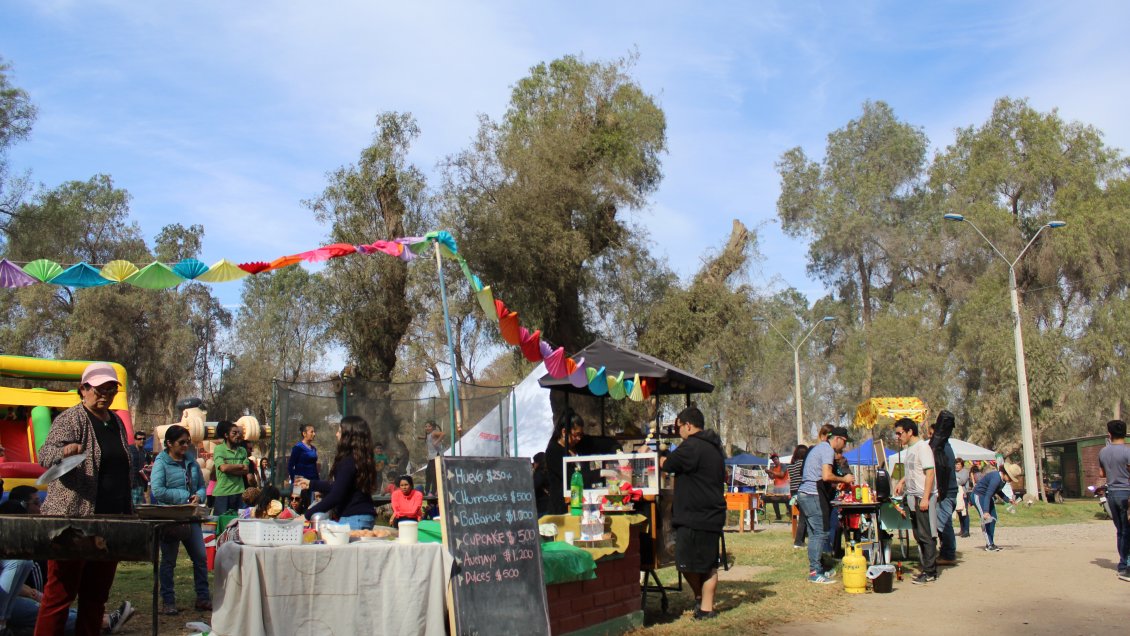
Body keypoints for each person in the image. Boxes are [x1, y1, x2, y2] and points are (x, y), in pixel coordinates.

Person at [32, 362, 133, 635]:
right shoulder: (71, 418)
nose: (106, 394)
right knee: (59, 595)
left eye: (111, 389)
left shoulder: (116, 423)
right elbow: (45, 455)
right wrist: (64, 452)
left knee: (96, 595)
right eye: (100, 389)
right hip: (72, 522)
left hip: (110, 521)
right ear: (84, 389)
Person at [639, 406, 725, 620]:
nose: (678, 432)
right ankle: (706, 607)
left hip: (694, 516)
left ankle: (701, 600)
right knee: (709, 564)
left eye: (679, 427)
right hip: (713, 513)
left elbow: (667, 465)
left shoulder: (692, 446)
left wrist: (652, 455)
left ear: (688, 425)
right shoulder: (715, 447)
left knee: (684, 562)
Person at [150, 424, 211, 615]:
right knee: (169, 561)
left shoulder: (192, 462)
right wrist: (184, 496)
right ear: (169, 443)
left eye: (188, 442)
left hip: (190, 517)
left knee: (200, 557)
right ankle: (168, 601)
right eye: (181, 442)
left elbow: (202, 486)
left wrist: (199, 496)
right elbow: (157, 490)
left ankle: (203, 597)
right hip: (171, 518)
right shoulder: (161, 463)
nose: (186, 446)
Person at [296, 415, 378, 530]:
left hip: (354, 518)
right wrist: (312, 484)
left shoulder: (348, 461)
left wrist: (307, 515)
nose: (336, 434)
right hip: (363, 516)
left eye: (339, 431)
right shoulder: (360, 459)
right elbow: (341, 486)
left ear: (349, 436)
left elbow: (336, 495)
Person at [796, 426, 853, 584]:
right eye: (845, 442)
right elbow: (827, 476)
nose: (845, 446)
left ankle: (818, 569)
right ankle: (814, 572)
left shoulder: (819, 448)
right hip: (812, 494)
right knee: (820, 533)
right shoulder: (827, 450)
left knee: (815, 533)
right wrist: (844, 479)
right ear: (837, 439)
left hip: (805, 493)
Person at [893, 418, 938, 584]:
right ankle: (926, 567)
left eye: (900, 433)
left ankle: (930, 572)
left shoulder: (923, 447)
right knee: (918, 534)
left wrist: (925, 497)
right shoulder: (910, 449)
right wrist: (902, 482)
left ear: (910, 431)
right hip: (912, 496)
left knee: (926, 535)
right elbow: (913, 470)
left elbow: (930, 473)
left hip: (922, 496)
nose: (898, 437)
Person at [1096, 419, 1130, 581]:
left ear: (1109, 434)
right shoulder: (1127, 452)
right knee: (1127, 530)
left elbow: (1102, 474)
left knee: (1121, 530)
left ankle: (1123, 564)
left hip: (1112, 494)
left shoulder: (1103, 452)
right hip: (1126, 493)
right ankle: (1126, 565)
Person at [929, 411, 959, 566]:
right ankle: (946, 551)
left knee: (945, 523)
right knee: (943, 522)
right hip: (947, 490)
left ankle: (948, 554)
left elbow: (942, 471)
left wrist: (940, 491)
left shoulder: (943, 449)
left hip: (947, 492)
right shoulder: (945, 447)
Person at [972, 461, 1021, 552]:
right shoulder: (996, 478)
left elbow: (998, 491)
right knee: (986, 520)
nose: (1010, 480)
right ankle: (989, 545)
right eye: (1011, 477)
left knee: (993, 518)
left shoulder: (1002, 480)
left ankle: (991, 542)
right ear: (1006, 473)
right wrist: (986, 511)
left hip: (987, 497)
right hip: (979, 496)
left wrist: (1008, 500)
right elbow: (988, 495)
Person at [544, 412, 585, 515]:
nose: (579, 439)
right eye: (576, 435)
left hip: (578, 502)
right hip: (561, 507)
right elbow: (570, 476)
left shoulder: (577, 447)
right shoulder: (553, 451)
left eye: (581, 435)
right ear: (564, 432)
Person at [212, 421, 248, 516]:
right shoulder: (219, 449)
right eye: (234, 433)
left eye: (238, 433)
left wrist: (230, 468)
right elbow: (223, 468)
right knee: (222, 524)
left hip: (240, 493)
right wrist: (239, 466)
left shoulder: (243, 451)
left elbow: (246, 470)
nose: (238, 435)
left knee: (239, 524)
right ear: (226, 435)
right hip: (223, 494)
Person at [787, 445, 808, 548]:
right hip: (802, 491)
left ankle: (800, 540)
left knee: (803, 516)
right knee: (804, 517)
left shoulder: (791, 466)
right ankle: (798, 541)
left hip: (793, 492)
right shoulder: (803, 465)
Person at [287, 425, 319, 493]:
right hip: (300, 482)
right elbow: (290, 466)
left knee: (312, 502)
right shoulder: (298, 447)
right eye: (312, 432)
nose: (314, 434)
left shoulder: (313, 449)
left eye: (314, 432)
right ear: (304, 434)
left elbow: (314, 466)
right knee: (297, 501)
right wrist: (295, 480)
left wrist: (317, 482)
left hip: (312, 481)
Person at [422, 421, 447, 496]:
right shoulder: (429, 434)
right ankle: (427, 491)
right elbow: (429, 439)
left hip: (436, 456)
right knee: (428, 473)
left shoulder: (433, 432)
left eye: (429, 426)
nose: (427, 428)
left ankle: (434, 491)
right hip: (431, 457)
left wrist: (437, 441)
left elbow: (443, 434)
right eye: (426, 426)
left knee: (434, 474)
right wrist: (421, 437)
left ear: (433, 427)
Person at [126, 431, 150, 506]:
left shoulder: (145, 452)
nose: (142, 440)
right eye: (139, 439)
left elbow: (147, 465)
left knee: (139, 506)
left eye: (144, 439)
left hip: (141, 483)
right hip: (130, 483)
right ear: (135, 440)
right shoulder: (129, 450)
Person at [766, 453, 789, 521]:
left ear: (778, 459)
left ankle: (791, 515)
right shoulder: (774, 468)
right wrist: (768, 473)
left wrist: (771, 471)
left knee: (786, 501)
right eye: (773, 460)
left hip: (784, 486)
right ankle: (778, 517)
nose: (774, 461)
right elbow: (772, 477)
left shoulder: (783, 465)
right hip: (776, 487)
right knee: (774, 501)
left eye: (775, 459)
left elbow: (781, 475)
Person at [954, 458, 972, 538]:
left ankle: (966, 531)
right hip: (956, 494)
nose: (956, 466)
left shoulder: (965, 471)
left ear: (962, 465)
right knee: (959, 511)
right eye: (955, 464)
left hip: (964, 494)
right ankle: (962, 529)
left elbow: (962, 481)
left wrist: (955, 478)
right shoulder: (954, 472)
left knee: (964, 512)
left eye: (958, 464)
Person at [532, 452, 551, 517]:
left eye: (534, 462)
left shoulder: (540, 473)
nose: (533, 464)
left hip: (541, 506)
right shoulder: (549, 471)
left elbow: (533, 486)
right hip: (549, 505)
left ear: (538, 463)